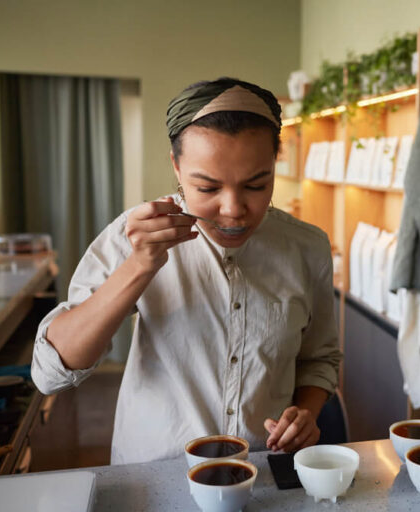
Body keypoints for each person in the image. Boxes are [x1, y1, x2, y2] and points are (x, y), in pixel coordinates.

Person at [31, 77, 342, 465]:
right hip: (152, 475)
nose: (232, 209)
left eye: (257, 185)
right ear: (177, 166)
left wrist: (307, 412)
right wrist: (139, 265)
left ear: (276, 162)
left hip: (261, 473)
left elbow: (319, 358)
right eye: (208, 189)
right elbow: (51, 373)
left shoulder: (307, 247)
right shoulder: (135, 233)